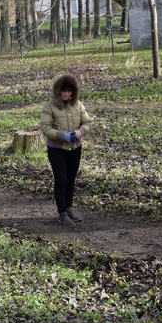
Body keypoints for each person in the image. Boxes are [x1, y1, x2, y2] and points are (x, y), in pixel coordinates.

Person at [39, 74, 92, 227]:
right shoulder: (49, 107)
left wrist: (81, 131)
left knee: (71, 178)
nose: (67, 94)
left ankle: (69, 208)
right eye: (64, 91)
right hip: (57, 149)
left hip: (75, 148)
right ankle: (62, 212)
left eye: (70, 92)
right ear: (58, 92)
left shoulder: (78, 105)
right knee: (61, 179)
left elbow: (87, 122)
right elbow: (45, 128)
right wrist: (63, 136)